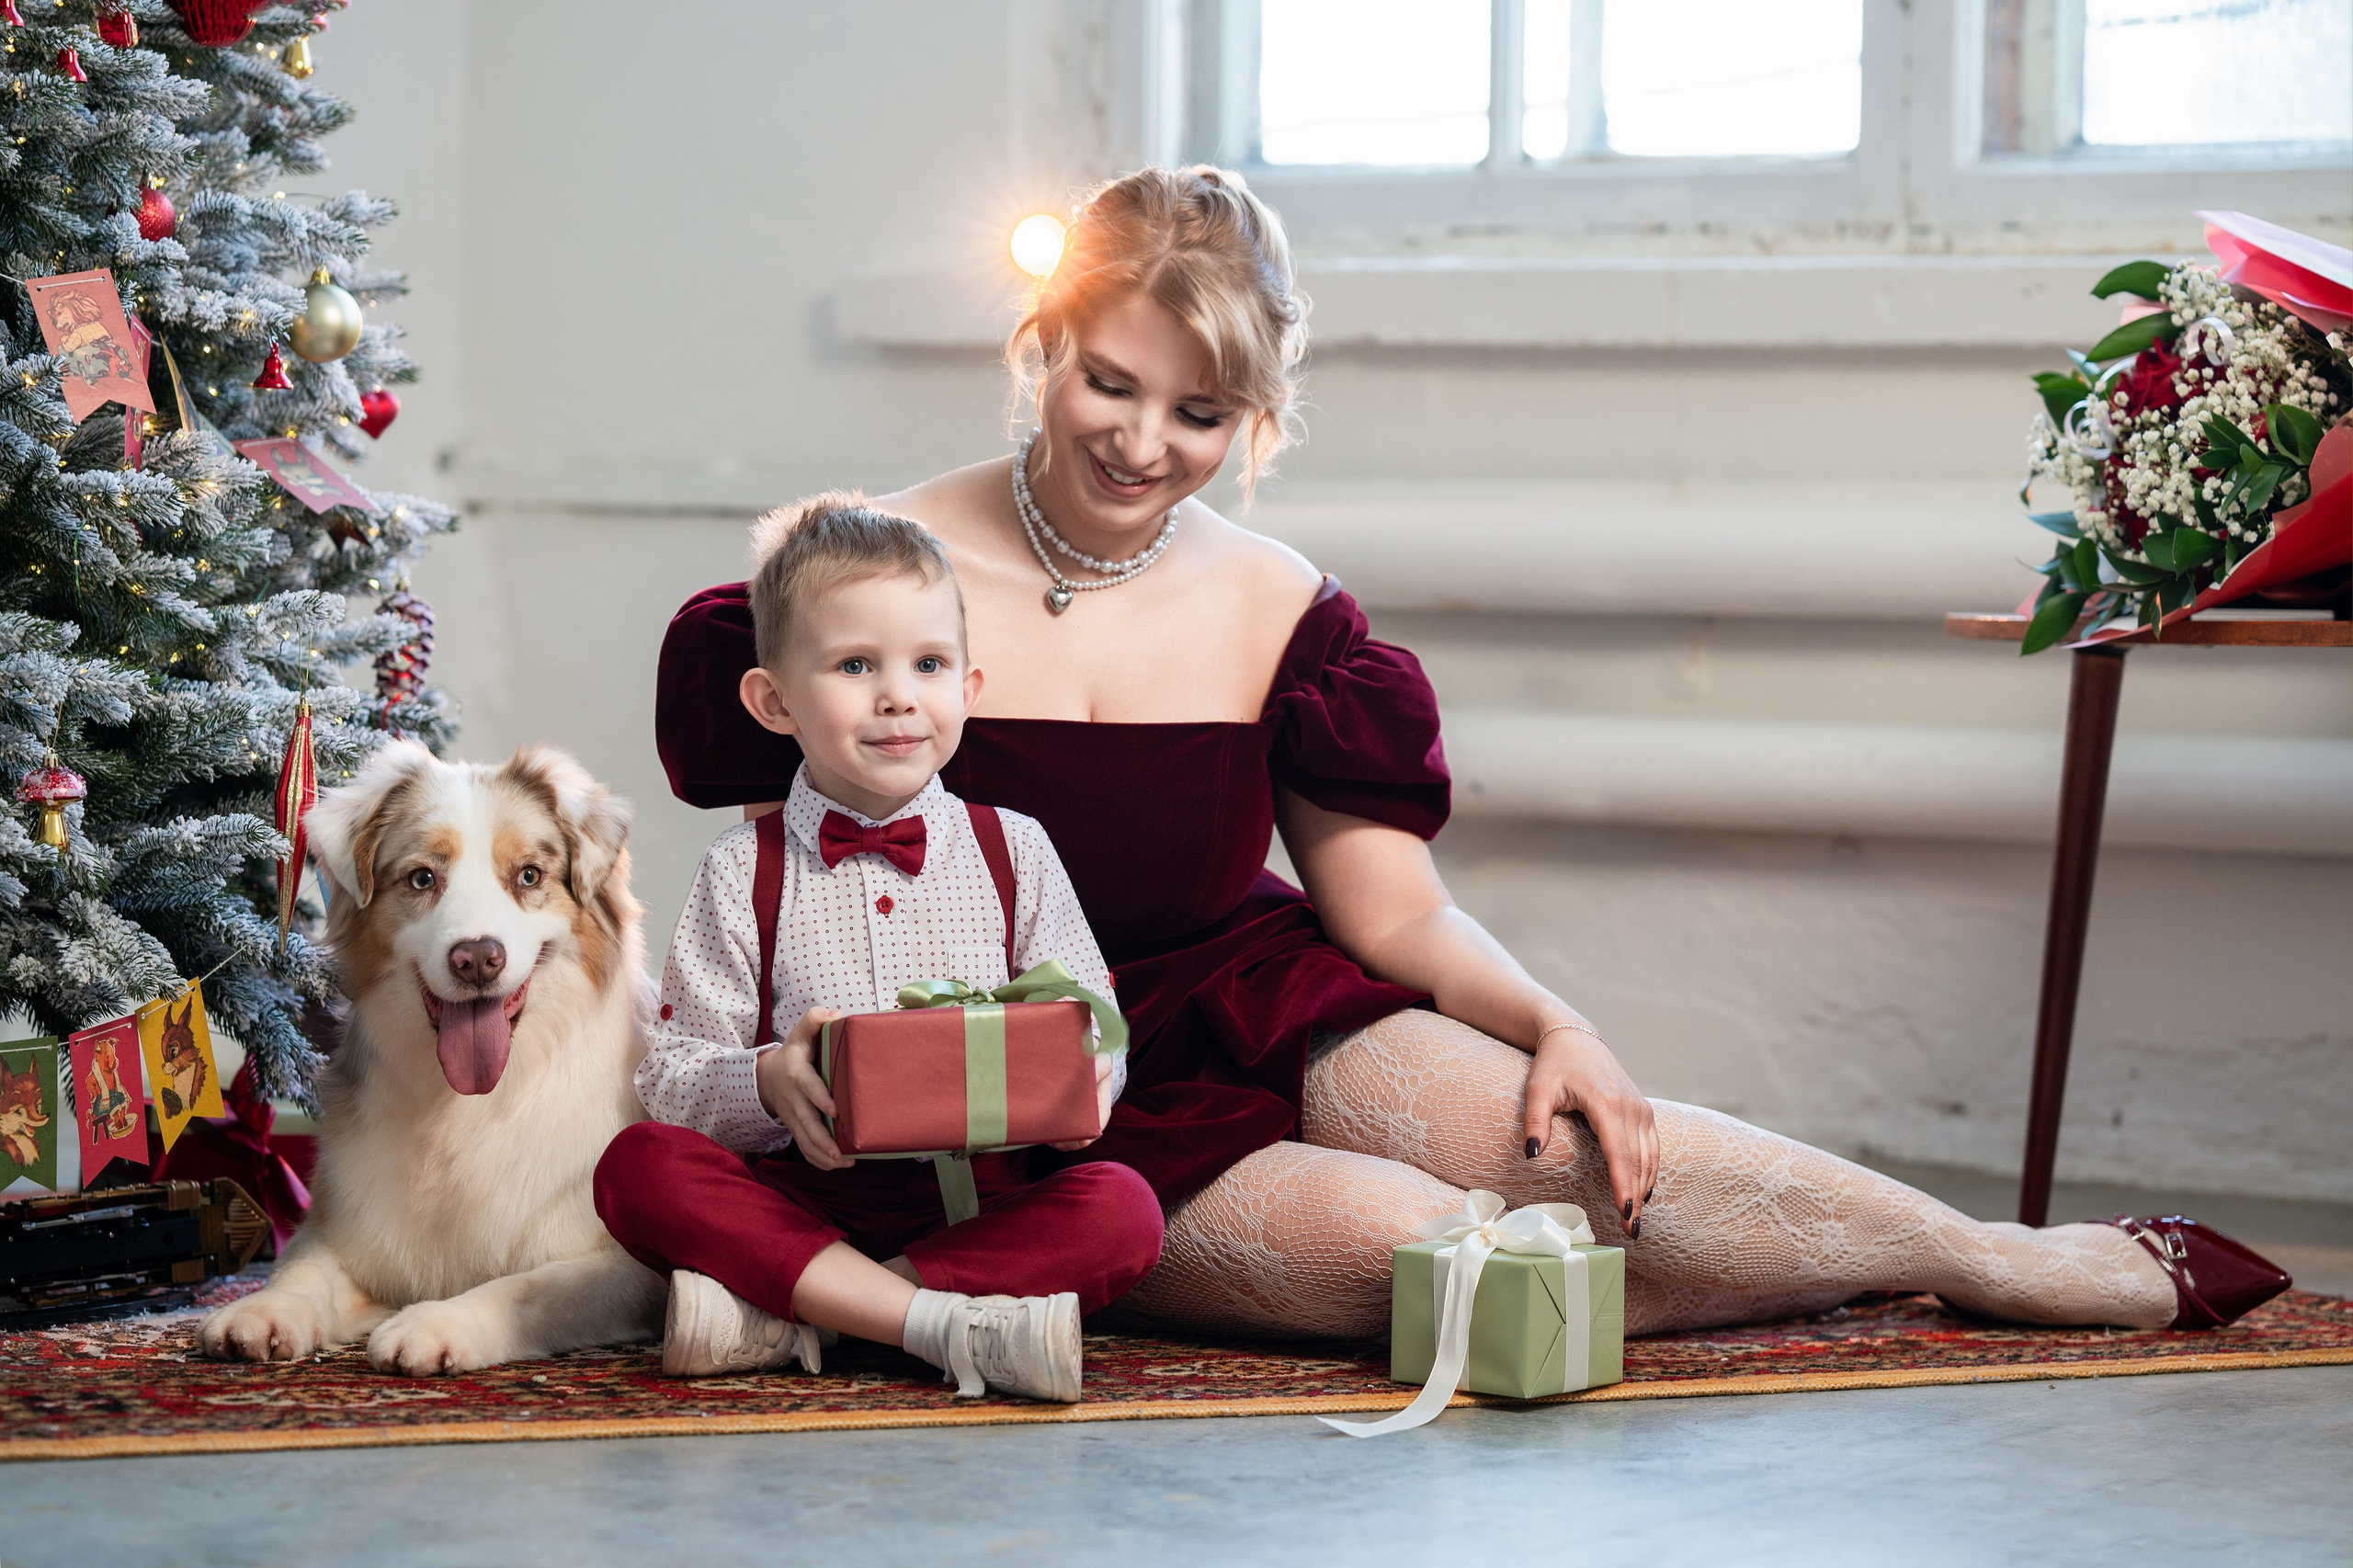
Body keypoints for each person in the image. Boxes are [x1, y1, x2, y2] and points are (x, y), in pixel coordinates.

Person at [653, 167, 2289, 1341]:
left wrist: (1553, 1019)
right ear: (1044, 342)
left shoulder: (1282, 601)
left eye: (1203, 412)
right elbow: (788, 876)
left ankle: (1985, 1259)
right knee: (1438, 1251)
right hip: (1033, 1086)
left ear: (1257, 414)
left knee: (1567, 1148)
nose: (1144, 444)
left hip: (1257, 990)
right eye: (1108, 382)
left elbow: (1391, 907)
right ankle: (1848, 1272)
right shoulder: (871, 572)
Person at [597, 497, 1163, 1403]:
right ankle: (938, 1324)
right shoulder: (741, 868)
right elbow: (672, 1078)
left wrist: (1083, 1081)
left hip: (975, 1202)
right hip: (804, 1195)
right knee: (638, 1170)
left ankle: (804, 1315)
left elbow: (1096, 1024)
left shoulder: (1014, 847)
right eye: (855, 664)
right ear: (773, 700)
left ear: (968, 689)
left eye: (927, 663)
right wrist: (769, 1079)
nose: (898, 694)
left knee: (1124, 1208)